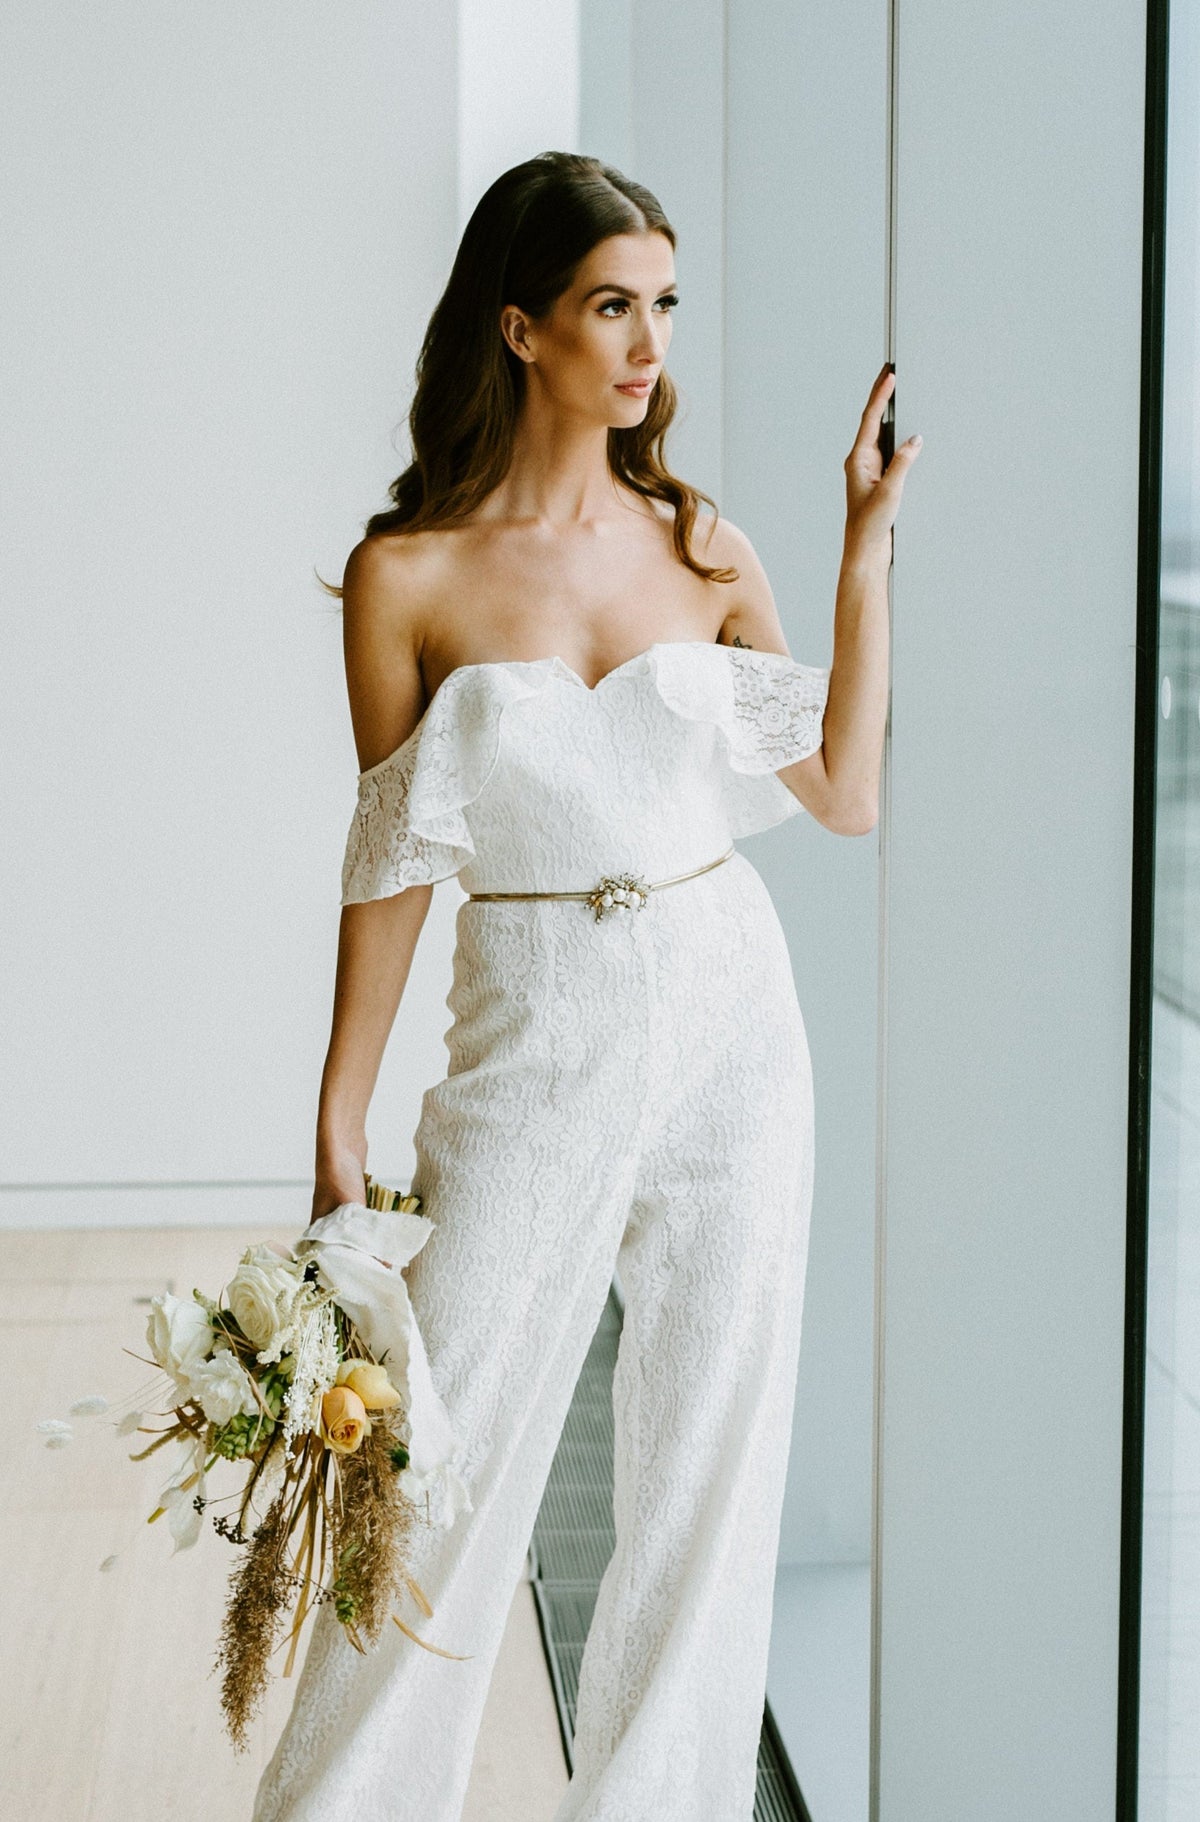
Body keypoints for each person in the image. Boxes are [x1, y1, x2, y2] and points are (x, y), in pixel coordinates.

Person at [252, 149, 919, 1822]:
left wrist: (859, 548)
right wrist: (338, 1108)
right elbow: (393, 861)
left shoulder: (705, 542)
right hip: (534, 1026)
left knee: (707, 1469)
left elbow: (845, 789)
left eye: (663, 307)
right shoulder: (410, 577)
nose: (647, 345)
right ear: (521, 326)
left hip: (733, 1022)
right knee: (439, 1458)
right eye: (613, 305)